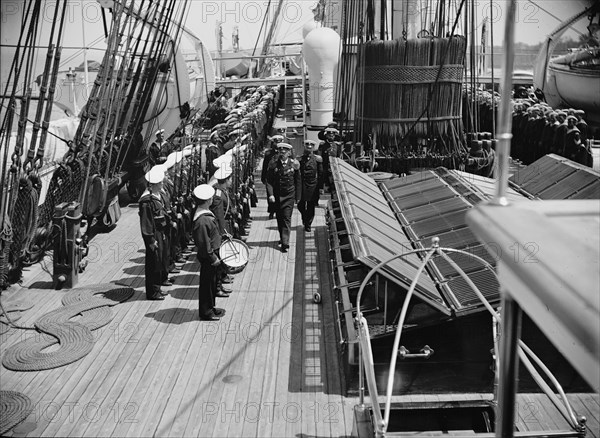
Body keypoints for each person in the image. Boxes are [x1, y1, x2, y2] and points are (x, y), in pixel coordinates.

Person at [192, 184, 227, 321]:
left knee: (212, 283)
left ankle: (211, 307)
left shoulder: (205, 214)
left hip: (213, 255)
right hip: (209, 258)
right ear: (207, 201)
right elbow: (204, 243)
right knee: (207, 284)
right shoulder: (202, 220)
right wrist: (213, 258)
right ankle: (206, 312)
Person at [138, 166, 169, 300]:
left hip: (160, 231)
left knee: (159, 260)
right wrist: (151, 240)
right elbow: (146, 223)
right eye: (161, 182)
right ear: (154, 184)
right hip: (153, 234)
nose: (162, 184)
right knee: (153, 263)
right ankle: (152, 292)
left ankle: (157, 288)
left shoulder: (156, 195)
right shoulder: (147, 201)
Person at [265, 142, 301, 253]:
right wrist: (270, 194)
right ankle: (282, 237)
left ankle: (285, 243)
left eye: (285, 152)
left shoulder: (294, 164)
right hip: (277, 195)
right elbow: (269, 181)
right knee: (280, 219)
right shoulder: (274, 164)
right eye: (281, 152)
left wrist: (298, 197)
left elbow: (298, 180)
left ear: (289, 153)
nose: (283, 153)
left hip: (289, 195)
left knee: (286, 218)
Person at [298, 140, 323, 232]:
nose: (309, 146)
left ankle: (308, 224)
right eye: (307, 145)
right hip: (302, 184)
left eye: (311, 145)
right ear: (304, 146)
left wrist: (320, 187)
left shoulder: (317, 159)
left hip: (313, 185)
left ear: (313, 148)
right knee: (300, 205)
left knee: (311, 205)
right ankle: (304, 217)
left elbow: (320, 174)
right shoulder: (300, 159)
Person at [261, 134, 284, 219]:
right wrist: (263, 177)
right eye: (276, 142)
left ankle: (278, 211)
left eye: (279, 142)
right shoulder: (268, 153)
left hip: (280, 177)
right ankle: (271, 211)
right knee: (270, 195)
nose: (277, 144)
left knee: (278, 195)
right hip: (270, 177)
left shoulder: (284, 152)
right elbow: (265, 166)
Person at [318, 127, 341, 192]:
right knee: (325, 183)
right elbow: (320, 156)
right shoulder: (322, 145)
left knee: (334, 184)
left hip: (333, 168)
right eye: (329, 135)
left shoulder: (337, 145)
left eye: (332, 136)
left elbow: (338, 157)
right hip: (324, 167)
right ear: (326, 136)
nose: (331, 137)